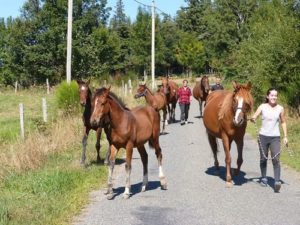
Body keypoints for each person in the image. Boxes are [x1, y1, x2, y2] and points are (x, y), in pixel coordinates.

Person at [251, 88, 288, 193]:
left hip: (275, 137)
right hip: (263, 136)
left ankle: (277, 182)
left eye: (275, 95)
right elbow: (255, 116)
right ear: (267, 96)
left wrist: (285, 136)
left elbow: (283, 122)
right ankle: (263, 177)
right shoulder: (262, 106)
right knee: (263, 158)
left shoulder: (280, 108)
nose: (274, 97)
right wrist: (253, 118)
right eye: (272, 95)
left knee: (276, 159)